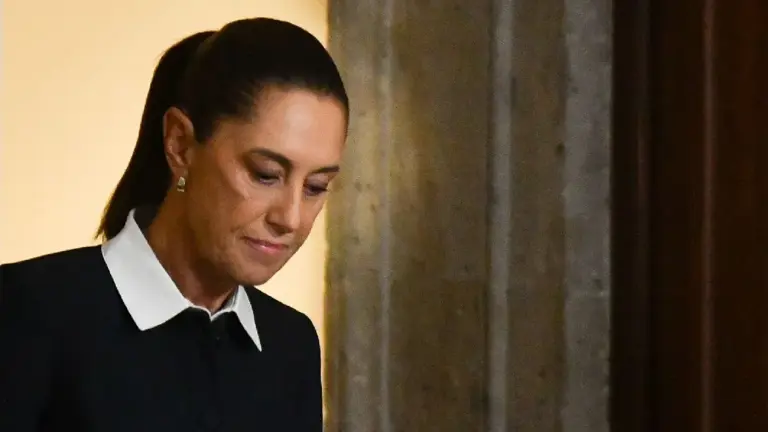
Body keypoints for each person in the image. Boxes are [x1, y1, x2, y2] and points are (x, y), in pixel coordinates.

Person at [0, 17, 348, 432]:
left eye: (315, 187)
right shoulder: (28, 310)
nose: (290, 218)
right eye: (265, 174)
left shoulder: (290, 345)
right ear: (180, 145)